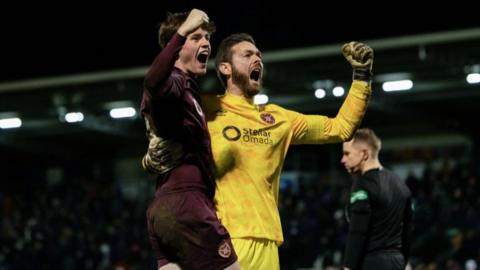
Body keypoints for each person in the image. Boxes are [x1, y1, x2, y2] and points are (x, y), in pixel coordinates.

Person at [200, 33, 375, 269]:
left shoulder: (278, 118)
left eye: (259, 55)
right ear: (225, 68)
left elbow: (341, 128)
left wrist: (361, 77)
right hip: (224, 236)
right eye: (247, 54)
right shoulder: (205, 109)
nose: (257, 59)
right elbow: (164, 97)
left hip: (268, 241)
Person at [140, 9, 240, 270]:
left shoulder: (187, 88)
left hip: (164, 208)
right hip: (187, 204)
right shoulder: (173, 82)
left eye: (206, 38)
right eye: (196, 37)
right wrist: (183, 30)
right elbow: (152, 82)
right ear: (176, 47)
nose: (206, 43)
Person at [340, 128, 413, 270]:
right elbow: (408, 230)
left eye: (347, 154)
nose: (343, 159)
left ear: (364, 154)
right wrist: (404, 261)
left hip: (372, 262)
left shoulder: (362, 184)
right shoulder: (401, 185)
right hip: (398, 262)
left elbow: (358, 229)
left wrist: (348, 266)